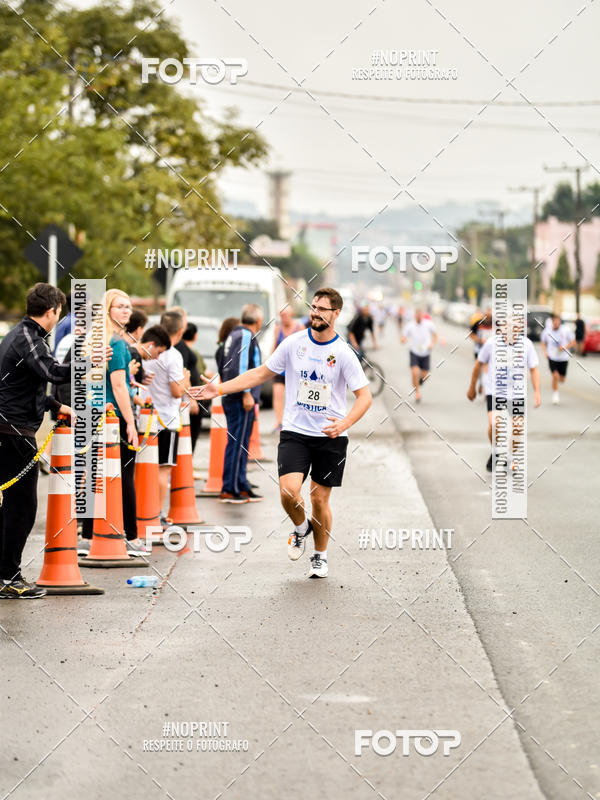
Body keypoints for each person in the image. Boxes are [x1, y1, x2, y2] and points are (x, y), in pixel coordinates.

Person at [191, 288, 372, 579]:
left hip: (330, 436)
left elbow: (365, 397)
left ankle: (320, 556)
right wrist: (221, 388)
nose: (315, 312)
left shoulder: (343, 354)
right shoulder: (294, 343)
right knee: (288, 492)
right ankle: (302, 528)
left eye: (323, 309)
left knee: (320, 500)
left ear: (336, 314)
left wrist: (344, 424)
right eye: (313, 307)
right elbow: (261, 373)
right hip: (295, 432)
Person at [0, 283, 74, 598]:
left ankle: (5, 574)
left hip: (10, 432)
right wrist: (89, 362)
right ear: (53, 310)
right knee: (22, 507)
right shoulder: (29, 339)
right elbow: (53, 372)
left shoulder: (18, 335)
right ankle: (9, 578)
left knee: (10, 507)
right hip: (13, 434)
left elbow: (27, 386)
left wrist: (57, 406)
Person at [79, 290, 150, 555]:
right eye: (120, 307)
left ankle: (87, 536)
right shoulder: (117, 344)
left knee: (93, 475)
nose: (126, 311)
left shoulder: (91, 339)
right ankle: (131, 537)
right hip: (113, 419)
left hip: (91, 415)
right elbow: (119, 386)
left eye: (129, 307)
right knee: (125, 475)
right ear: (108, 309)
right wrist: (131, 424)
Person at [467, 319, 541, 472]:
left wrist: (537, 392)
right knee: (495, 425)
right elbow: (478, 364)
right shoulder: (491, 343)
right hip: (495, 391)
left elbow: (534, 369)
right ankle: (495, 451)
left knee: (517, 427)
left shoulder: (527, 345)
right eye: (506, 327)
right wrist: (472, 387)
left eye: (514, 327)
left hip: (517, 393)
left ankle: (511, 457)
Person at [143, 310, 190, 525]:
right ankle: (157, 515)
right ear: (180, 331)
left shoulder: (147, 349)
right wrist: (186, 380)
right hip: (167, 420)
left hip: (145, 418)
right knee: (163, 469)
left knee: (144, 468)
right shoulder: (174, 355)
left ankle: (141, 512)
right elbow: (176, 391)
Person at [217, 304, 264, 504]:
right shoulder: (245, 335)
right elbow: (242, 366)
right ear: (258, 321)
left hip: (234, 396)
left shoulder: (234, 334)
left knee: (241, 443)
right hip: (240, 398)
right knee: (237, 443)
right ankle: (230, 487)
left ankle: (240, 483)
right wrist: (246, 393)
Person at [272, 307, 303, 433]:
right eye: (281, 315)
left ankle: (295, 422)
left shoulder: (299, 327)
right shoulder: (277, 328)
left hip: (295, 369)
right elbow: (274, 346)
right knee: (277, 393)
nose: (283, 317)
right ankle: (279, 423)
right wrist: (271, 365)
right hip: (281, 368)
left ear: (291, 314)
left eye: (285, 314)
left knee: (296, 396)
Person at [176, 322, 206, 454]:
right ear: (195, 335)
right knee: (190, 432)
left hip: (193, 396)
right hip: (189, 399)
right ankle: (185, 468)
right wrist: (191, 399)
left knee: (191, 432)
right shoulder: (182, 349)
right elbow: (184, 373)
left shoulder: (185, 349)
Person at [401, 308, 437, 402]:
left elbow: (435, 335)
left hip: (425, 352)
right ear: (414, 315)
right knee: (415, 372)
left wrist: (432, 344)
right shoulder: (410, 325)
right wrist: (403, 339)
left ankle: (419, 381)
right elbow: (404, 336)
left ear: (422, 315)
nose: (418, 317)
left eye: (420, 315)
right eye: (417, 315)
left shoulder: (428, 324)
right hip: (414, 351)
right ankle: (417, 393)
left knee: (425, 375)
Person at [540, 313, 575, 405]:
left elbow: (573, 342)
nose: (556, 323)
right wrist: (545, 352)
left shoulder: (566, 330)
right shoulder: (547, 331)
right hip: (552, 357)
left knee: (562, 379)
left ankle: (560, 379)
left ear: (560, 322)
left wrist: (565, 347)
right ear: (552, 322)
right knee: (555, 375)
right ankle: (555, 395)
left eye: (557, 321)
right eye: (554, 321)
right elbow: (543, 342)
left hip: (563, 358)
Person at [469, 307, 493, 394]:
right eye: (486, 315)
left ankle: (486, 387)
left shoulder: (496, 323)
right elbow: (471, 334)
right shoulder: (477, 323)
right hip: (479, 350)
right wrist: (479, 340)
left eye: (489, 316)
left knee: (488, 368)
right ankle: (481, 383)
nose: (488, 318)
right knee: (479, 368)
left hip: (491, 350)